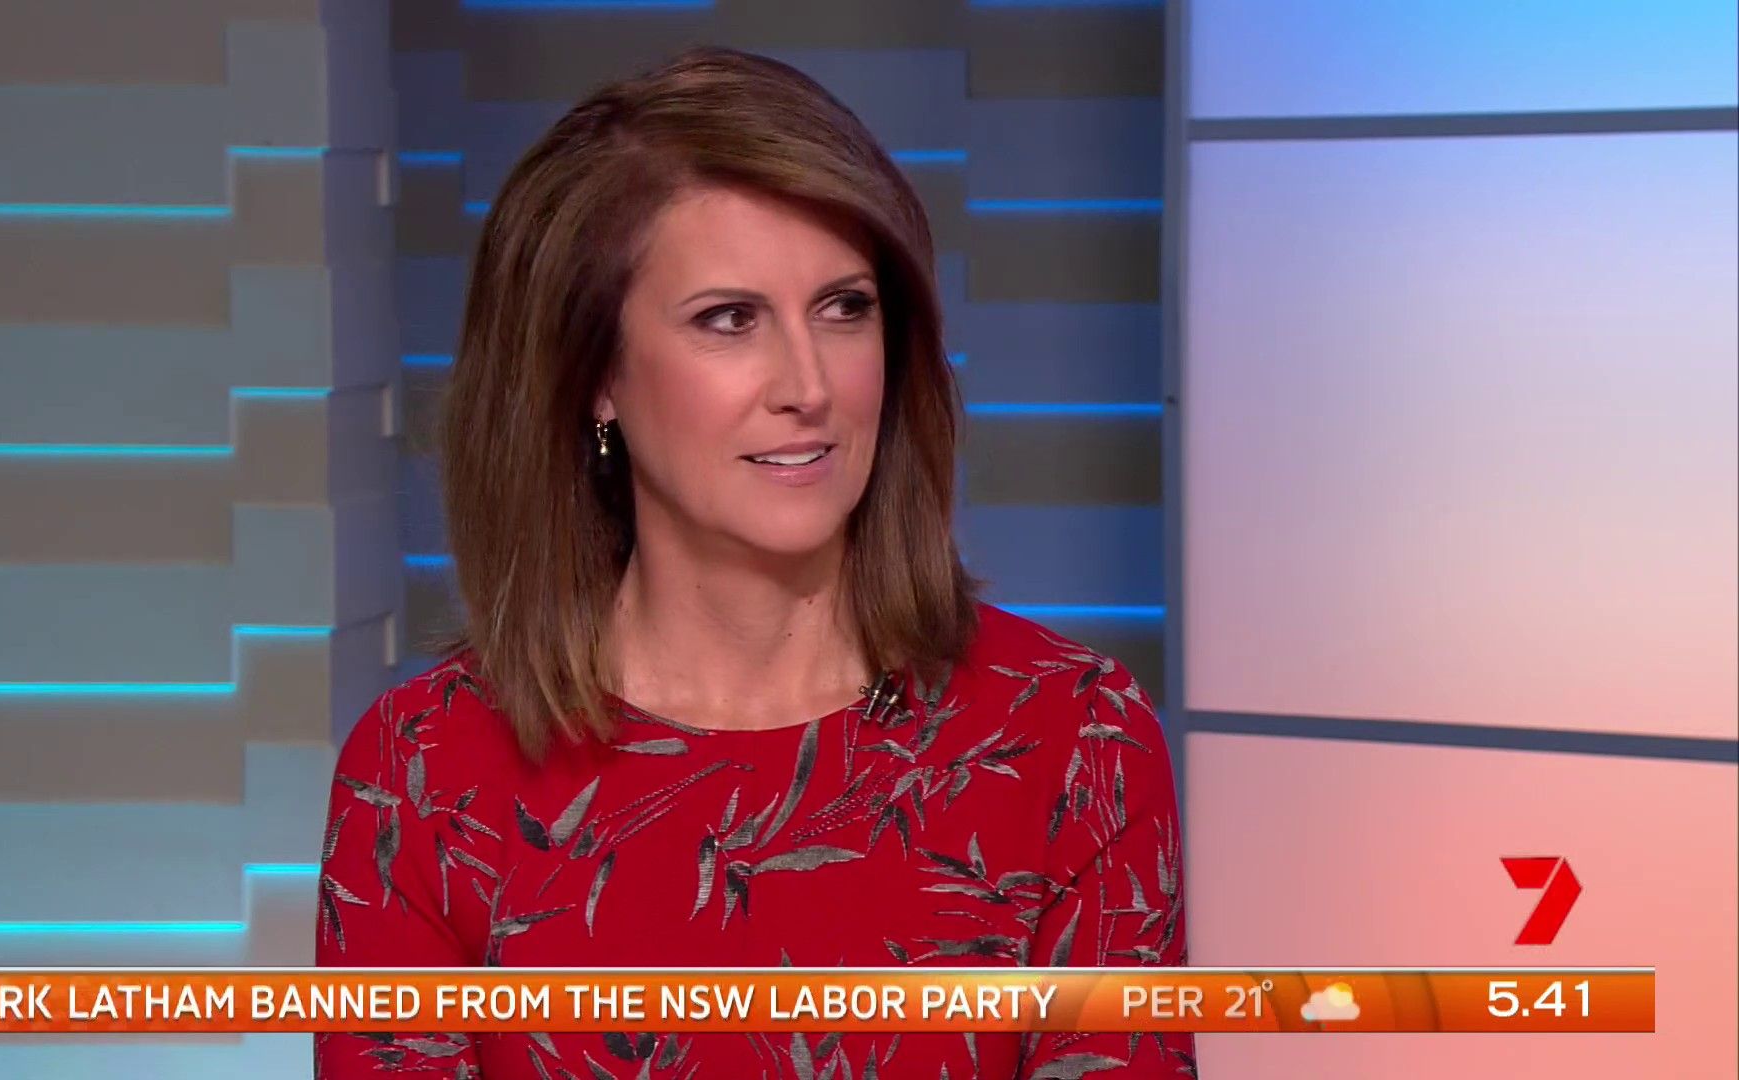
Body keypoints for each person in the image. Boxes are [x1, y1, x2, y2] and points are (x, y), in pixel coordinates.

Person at [316, 46, 1194, 1078]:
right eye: (729, 320)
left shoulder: (1072, 740)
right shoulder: (422, 777)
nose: (807, 385)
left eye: (844, 307)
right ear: (594, 374)